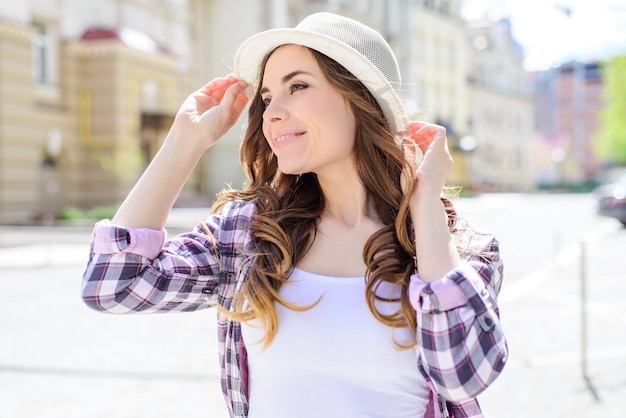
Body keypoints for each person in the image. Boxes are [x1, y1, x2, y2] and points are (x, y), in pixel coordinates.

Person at [82, 12, 507, 418]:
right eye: (267, 98)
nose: (271, 112)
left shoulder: (462, 252)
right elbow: (112, 284)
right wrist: (185, 141)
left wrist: (425, 204)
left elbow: (464, 378)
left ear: (360, 99)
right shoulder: (250, 234)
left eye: (298, 86)